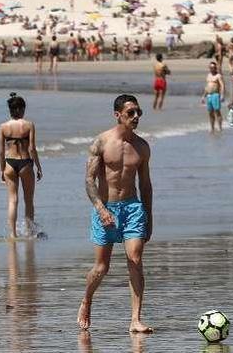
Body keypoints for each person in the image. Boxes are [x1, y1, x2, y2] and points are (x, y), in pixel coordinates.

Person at [78, 94, 153, 333]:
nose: (136, 117)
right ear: (117, 114)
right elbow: (89, 180)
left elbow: (146, 185)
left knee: (136, 259)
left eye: (138, 112)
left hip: (132, 208)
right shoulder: (101, 142)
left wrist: (148, 217)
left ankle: (135, 320)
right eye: (130, 113)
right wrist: (100, 209)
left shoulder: (141, 147)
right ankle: (87, 300)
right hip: (106, 208)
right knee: (101, 267)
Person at [0, 93, 43, 238]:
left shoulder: (3, 127)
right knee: (28, 200)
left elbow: (2, 151)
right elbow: (32, 148)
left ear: (10, 110)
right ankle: (29, 232)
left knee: (12, 200)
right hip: (25, 163)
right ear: (22, 109)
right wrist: (38, 166)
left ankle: (12, 234)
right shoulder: (29, 125)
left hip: (9, 163)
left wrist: (1, 169)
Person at [201, 61, 225, 133]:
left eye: (214, 67)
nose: (212, 69)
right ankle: (212, 127)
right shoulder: (208, 75)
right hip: (209, 95)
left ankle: (220, 127)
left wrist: (222, 95)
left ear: (215, 68)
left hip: (215, 95)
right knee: (210, 112)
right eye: (211, 67)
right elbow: (207, 87)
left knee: (217, 111)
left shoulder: (218, 76)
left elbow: (222, 85)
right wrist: (203, 96)